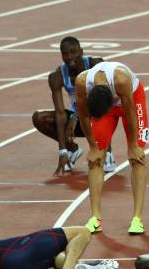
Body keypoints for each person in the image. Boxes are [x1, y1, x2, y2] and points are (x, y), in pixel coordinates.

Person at [75, 61, 149, 234]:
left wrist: (133, 146)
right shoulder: (82, 82)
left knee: (137, 157)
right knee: (95, 158)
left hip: (132, 99)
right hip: (106, 106)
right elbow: (84, 115)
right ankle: (95, 218)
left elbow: (130, 112)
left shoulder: (121, 79)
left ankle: (137, 219)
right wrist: (92, 146)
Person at [32, 36, 116, 176]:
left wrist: (75, 117)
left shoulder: (96, 65)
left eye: (73, 52)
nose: (69, 57)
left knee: (102, 107)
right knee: (39, 118)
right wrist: (62, 150)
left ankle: (107, 152)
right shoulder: (57, 76)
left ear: (81, 52)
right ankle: (72, 150)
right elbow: (60, 113)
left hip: (97, 115)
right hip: (78, 121)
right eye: (65, 53)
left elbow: (104, 99)